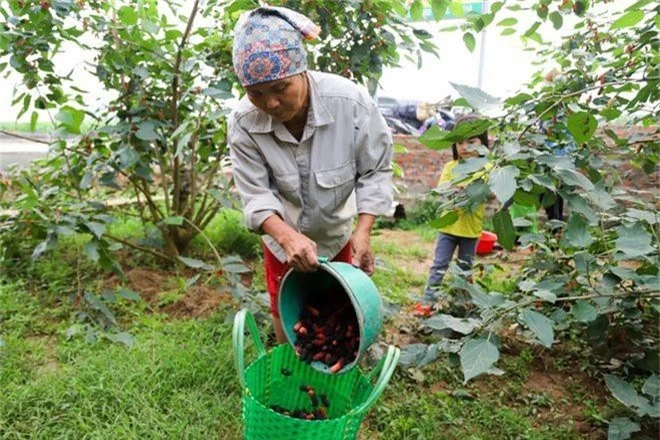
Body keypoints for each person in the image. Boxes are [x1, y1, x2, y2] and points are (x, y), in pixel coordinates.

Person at [228, 6, 393, 342]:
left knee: (341, 308)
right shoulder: (244, 122)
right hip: (280, 240)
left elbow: (375, 171)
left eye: (280, 88)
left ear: (301, 70)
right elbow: (255, 196)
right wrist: (287, 237)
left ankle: (339, 371)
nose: (270, 103)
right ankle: (295, 371)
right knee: (285, 308)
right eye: (255, 93)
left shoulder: (351, 104)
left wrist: (363, 232)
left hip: (336, 233)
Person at [419, 114, 490, 311]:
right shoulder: (451, 167)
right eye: (459, 142)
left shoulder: (487, 168)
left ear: (483, 143)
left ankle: (462, 304)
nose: (464, 147)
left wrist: (477, 190)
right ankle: (428, 300)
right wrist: (454, 188)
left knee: (465, 269)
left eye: (471, 141)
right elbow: (443, 188)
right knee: (439, 265)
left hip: (470, 230)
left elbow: (490, 193)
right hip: (448, 228)